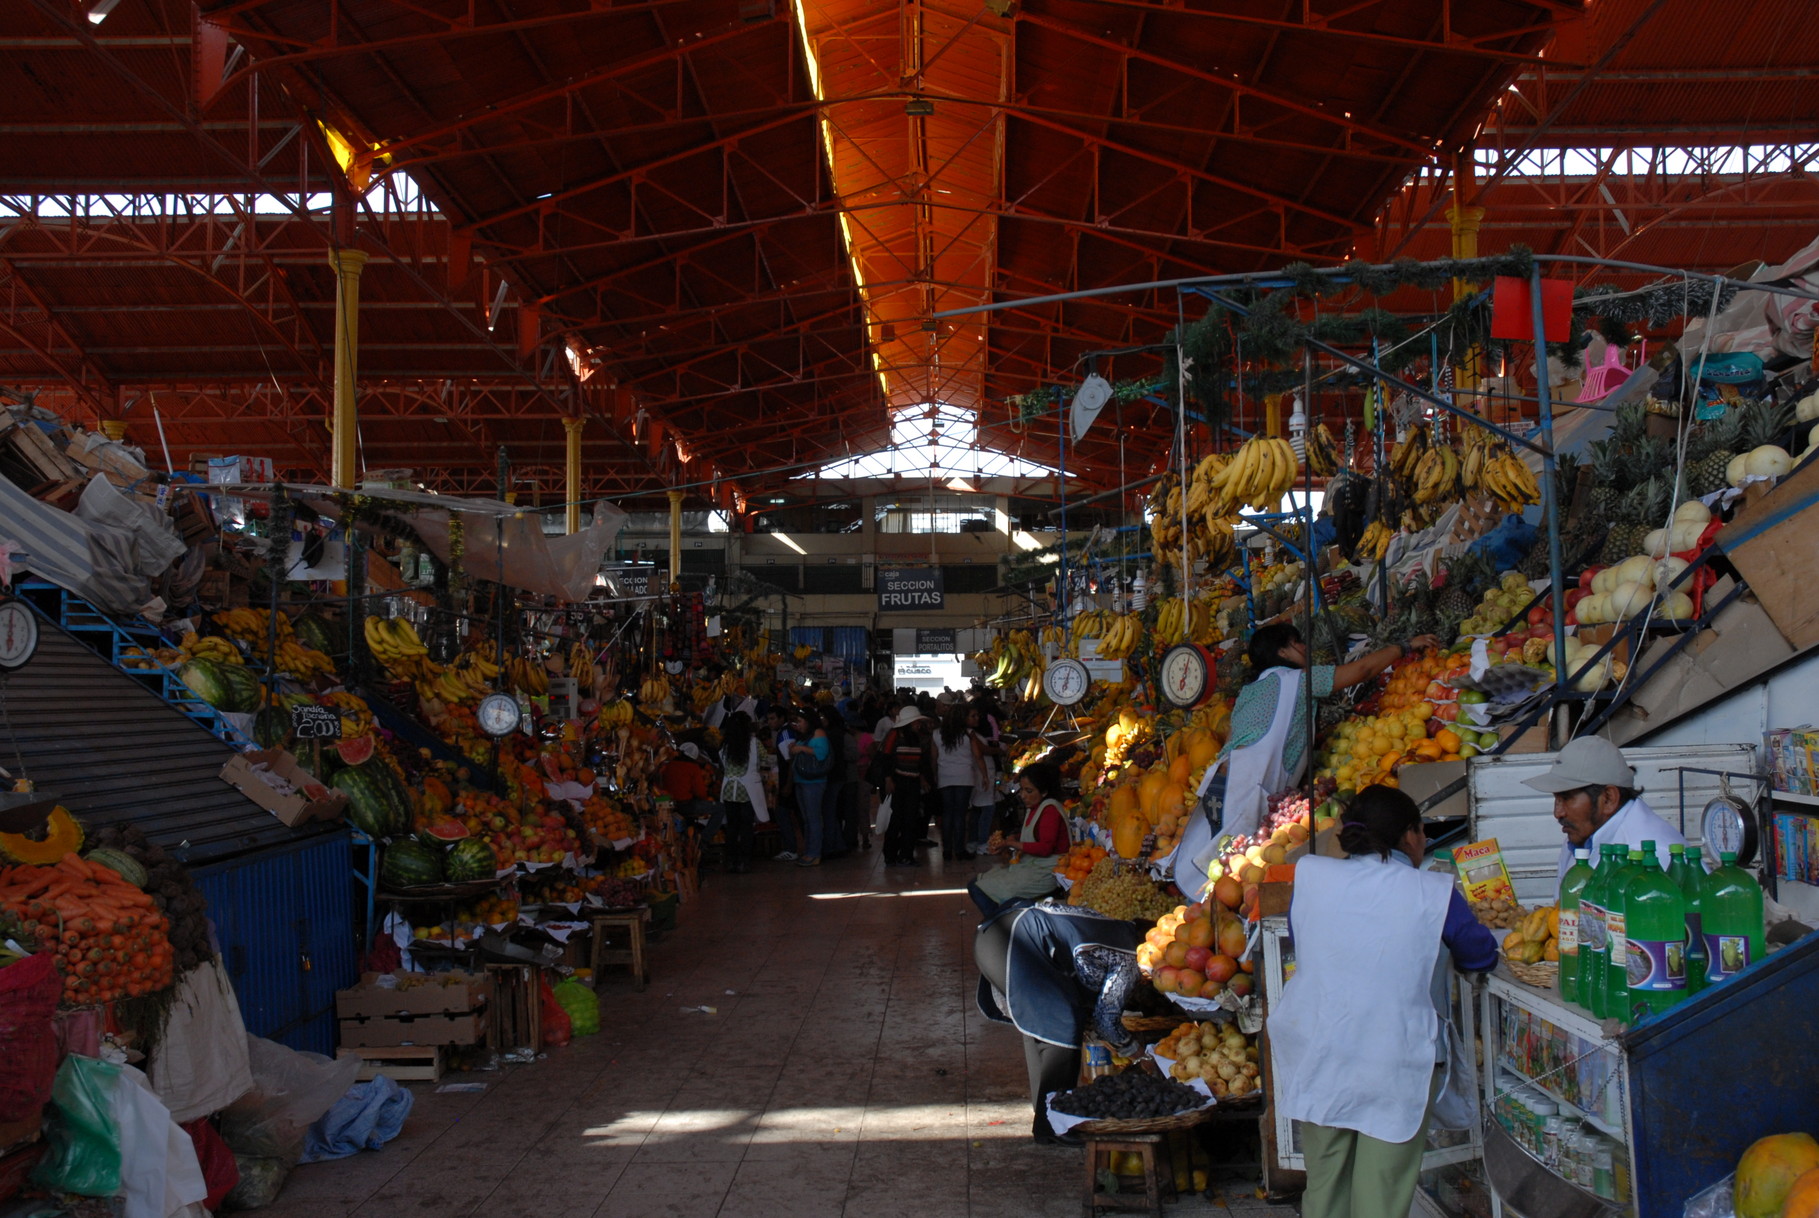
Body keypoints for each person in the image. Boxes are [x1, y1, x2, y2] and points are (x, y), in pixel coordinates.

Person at [1269, 787, 1499, 1218]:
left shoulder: (1311, 876)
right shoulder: (1433, 892)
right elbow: (1480, 954)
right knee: (1381, 1194)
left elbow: (1307, 945)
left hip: (1321, 1049)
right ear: (1411, 835)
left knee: (1326, 1185)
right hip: (1394, 1059)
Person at [1179, 623, 1440, 896]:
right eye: (1297, 642)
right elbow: (1362, 671)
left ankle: (1204, 907)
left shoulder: (1249, 691)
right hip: (1245, 785)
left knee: (1218, 855)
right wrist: (1403, 647)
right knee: (1231, 866)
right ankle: (1210, 911)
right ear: (1283, 651)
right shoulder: (1298, 681)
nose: (1305, 647)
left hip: (1221, 779)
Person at [1524, 736, 1684, 885]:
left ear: (1608, 798)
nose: (1558, 813)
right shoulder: (1580, 838)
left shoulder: (1651, 855)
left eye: (1566, 798)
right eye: (1556, 798)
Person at [970, 761, 1070, 914]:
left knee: (979, 889)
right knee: (975, 883)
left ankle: (998, 925)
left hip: (1046, 872)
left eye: (1029, 791)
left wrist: (1012, 843)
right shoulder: (1035, 806)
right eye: (1022, 790)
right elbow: (1034, 833)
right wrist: (1011, 840)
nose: (1023, 795)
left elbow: (1045, 848)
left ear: (1043, 792)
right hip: (1033, 866)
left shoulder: (1050, 810)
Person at [715, 712, 770, 872]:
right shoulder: (754, 743)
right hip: (748, 790)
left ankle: (731, 860)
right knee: (746, 826)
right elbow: (765, 760)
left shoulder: (725, 744)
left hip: (729, 790)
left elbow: (722, 766)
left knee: (732, 826)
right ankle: (745, 861)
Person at [881, 706, 934, 866]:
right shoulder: (894, 735)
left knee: (910, 820)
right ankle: (890, 854)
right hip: (898, 782)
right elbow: (886, 757)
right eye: (916, 722)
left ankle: (906, 854)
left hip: (912, 783)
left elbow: (920, 762)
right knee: (897, 819)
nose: (918, 724)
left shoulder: (916, 737)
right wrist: (888, 779)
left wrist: (923, 779)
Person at [934, 702, 986, 861]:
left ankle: (947, 850)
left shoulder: (936, 734)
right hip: (964, 777)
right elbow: (978, 756)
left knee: (947, 814)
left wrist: (935, 775)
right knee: (960, 814)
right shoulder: (969, 734)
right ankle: (959, 850)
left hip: (944, 777)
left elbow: (933, 758)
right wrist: (985, 775)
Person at [787, 709, 834, 866]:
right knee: (807, 818)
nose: (798, 725)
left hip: (814, 782)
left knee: (813, 818)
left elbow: (822, 753)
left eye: (800, 721)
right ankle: (808, 852)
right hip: (802, 781)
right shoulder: (805, 736)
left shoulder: (818, 733)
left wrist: (801, 749)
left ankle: (814, 853)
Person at [968, 701, 1004, 855]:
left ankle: (973, 841)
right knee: (988, 808)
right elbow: (982, 751)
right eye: (973, 716)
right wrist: (999, 750)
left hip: (980, 774)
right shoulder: (971, 734)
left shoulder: (974, 733)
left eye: (978, 715)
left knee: (977, 809)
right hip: (982, 775)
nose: (977, 718)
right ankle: (982, 842)